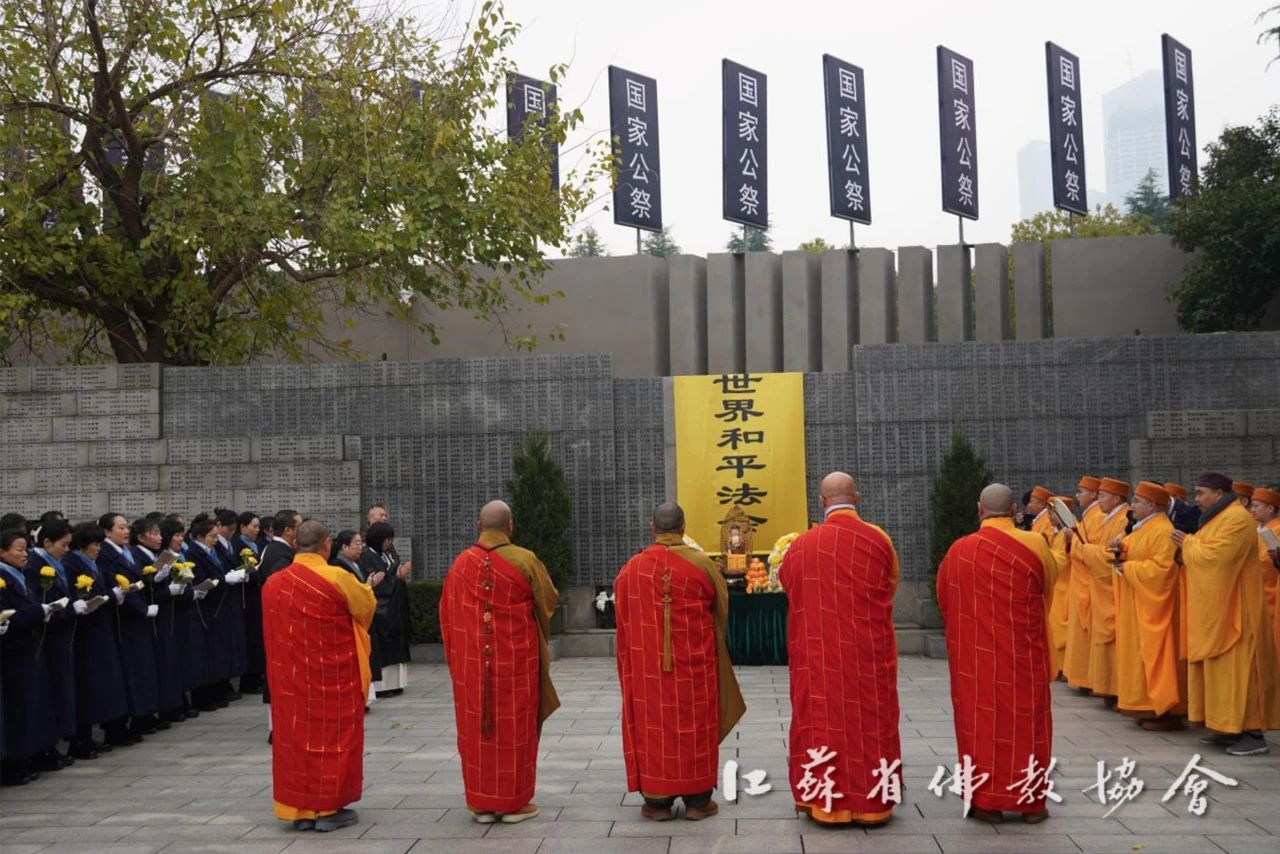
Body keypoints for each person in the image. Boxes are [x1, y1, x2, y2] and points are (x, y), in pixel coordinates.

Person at [779, 472, 901, 826]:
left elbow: (790, 586)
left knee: (822, 721)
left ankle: (823, 804)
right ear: (856, 497)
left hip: (820, 652)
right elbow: (888, 586)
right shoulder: (879, 540)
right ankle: (873, 805)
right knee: (871, 723)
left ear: (822, 502)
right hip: (868, 652)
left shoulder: (802, 544)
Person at [613, 502, 746, 821]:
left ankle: (656, 801)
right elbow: (721, 611)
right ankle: (698, 800)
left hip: (649, 670)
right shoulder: (702, 565)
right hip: (694, 667)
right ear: (684, 528)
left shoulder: (631, 569)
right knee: (695, 724)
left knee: (653, 725)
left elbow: (624, 619)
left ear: (653, 528)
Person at [937, 483, 1057, 824]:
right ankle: (1032, 803)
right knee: (1026, 724)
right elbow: (1048, 586)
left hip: (976, 659)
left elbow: (946, 599)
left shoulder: (960, 550)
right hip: (1023, 655)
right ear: (1014, 513)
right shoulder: (1034, 542)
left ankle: (986, 802)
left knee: (980, 724)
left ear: (979, 510)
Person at [440, 500, 559, 824]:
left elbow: (448, 614)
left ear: (479, 526)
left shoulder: (461, 564)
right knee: (515, 728)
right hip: (516, 663)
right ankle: (514, 804)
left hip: (473, 666)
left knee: (476, 730)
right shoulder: (525, 560)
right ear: (510, 527)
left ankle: (481, 804)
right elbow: (547, 600)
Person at [263, 520, 375, 832]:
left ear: (296, 544)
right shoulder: (337, 576)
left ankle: (298, 809)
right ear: (326, 545)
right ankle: (326, 809)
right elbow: (365, 608)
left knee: (295, 739)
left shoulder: (273, 584)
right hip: (331, 677)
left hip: (289, 681)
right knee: (331, 740)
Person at [1173, 472, 1280, 756]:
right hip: (1221, 606)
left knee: (1242, 672)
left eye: (1200, 493)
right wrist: (1190, 546)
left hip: (1239, 610)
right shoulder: (1219, 517)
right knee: (1223, 671)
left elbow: (1216, 558)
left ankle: (1253, 732)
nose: (1196, 500)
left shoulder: (1236, 519)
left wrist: (1188, 544)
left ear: (1218, 494)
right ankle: (1227, 726)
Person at [1111, 482, 1184, 731]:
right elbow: (1134, 550)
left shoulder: (1163, 530)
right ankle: (1144, 705)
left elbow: (1163, 570)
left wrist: (1128, 567)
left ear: (1152, 505)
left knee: (1156, 657)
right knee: (1139, 657)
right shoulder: (1143, 528)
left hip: (1156, 608)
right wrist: (1120, 550)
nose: (1132, 506)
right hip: (1139, 604)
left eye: (1138, 501)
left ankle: (1164, 710)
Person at [63, 522, 132, 750]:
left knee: (102, 684)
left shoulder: (91, 563)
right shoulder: (72, 564)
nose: (98, 549)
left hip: (101, 629)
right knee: (88, 684)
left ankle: (97, 733)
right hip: (85, 634)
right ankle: (81, 738)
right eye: (94, 544)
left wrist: (113, 596)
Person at [0, 528, 62, 786]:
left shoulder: (20, 574)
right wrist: (37, 611)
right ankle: (14, 762)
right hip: (12, 653)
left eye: (26, 548)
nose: (25, 554)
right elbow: (10, 613)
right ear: (2, 552)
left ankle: (29, 755)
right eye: (19, 549)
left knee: (31, 705)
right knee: (17, 709)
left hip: (28, 648)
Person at [97, 512, 162, 737]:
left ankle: (142, 716)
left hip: (137, 619)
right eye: (121, 528)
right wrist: (142, 610)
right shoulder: (105, 554)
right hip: (124, 620)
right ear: (107, 531)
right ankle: (121, 724)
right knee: (130, 671)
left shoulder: (127, 552)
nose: (126, 532)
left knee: (142, 669)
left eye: (127, 528)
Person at [1070, 477, 1131, 702]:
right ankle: (1106, 686)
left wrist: (1082, 549)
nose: (1099, 498)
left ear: (1116, 498)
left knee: (1113, 640)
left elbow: (1109, 554)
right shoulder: (1108, 518)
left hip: (1110, 586)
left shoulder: (1123, 519)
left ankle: (1115, 689)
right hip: (1100, 585)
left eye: (1102, 495)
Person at [24, 519, 80, 761]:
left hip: (60, 634)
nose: (66, 551)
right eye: (63, 545)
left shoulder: (53, 563)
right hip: (46, 639)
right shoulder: (35, 565)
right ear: (46, 542)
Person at [130, 517, 185, 725]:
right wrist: (162, 587)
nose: (159, 537)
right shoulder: (137, 555)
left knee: (167, 662)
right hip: (152, 616)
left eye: (159, 533)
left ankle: (168, 707)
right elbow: (144, 588)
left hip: (163, 614)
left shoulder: (156, 555)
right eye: (154, 533)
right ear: (141, 536)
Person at [331, 531, 385, 707]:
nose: (360, 547)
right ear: (344, 547)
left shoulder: (356, 563)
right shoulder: (339, 566)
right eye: (356, 543)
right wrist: (368, 586)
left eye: (361, 543)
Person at [361, 522, 412, 697]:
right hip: (381, 610)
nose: (389, 543)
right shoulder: (367, 556)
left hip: (395, 608)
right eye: (386, 539)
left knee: (396, 644)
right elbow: (378, 583)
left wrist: (398, 577)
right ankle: (383, 686)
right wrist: (396, 577)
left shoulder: (386, 555)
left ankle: (396, 683)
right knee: (383, 646)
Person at [1063, 476, 1102, 690]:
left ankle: (1088, 679)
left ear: (1094, 494)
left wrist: (1073, 541)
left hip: (1089, 582)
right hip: (1081, 582)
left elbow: (1092, 547)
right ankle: (1083, 678)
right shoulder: (1090, 516)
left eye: (1081, 491)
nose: (1077, 496)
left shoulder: (1097, 517)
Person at [234, 512, 266, 694]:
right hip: (249, 598)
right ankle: (250, 680)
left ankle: (256, 676)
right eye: (253, 526)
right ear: (243, 527)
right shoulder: (238, 545)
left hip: (257, 595)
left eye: (258, 526)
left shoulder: (256, 545)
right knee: (252, 639)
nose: (257, 530)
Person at [1249, 487, 1280, 669]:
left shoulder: (1276, 529)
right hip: (1256, 592)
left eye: (1257, 506)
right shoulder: (1254, 529)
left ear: (1270, 508)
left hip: (1272, 593)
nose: (1252, 510)